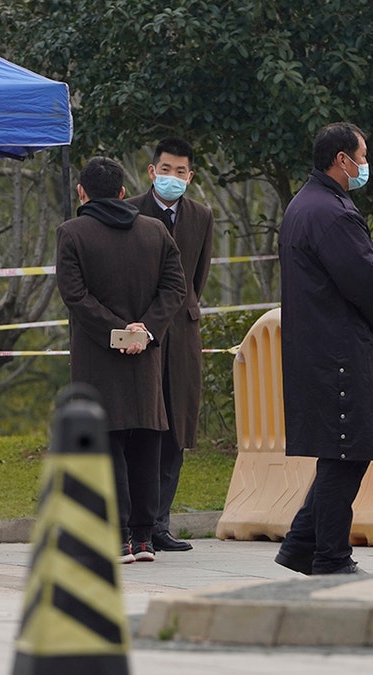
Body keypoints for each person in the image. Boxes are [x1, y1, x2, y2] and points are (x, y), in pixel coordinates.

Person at [275, 123, 373, 575]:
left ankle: (300, 546)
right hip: (339, 349)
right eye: (362, 156)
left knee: (337, 451)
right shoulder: (332, 212)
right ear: (342, 159)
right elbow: (364, 277)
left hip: (315, 345)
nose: (365, 165)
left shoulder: (302, 205)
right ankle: (330, 557)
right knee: (348, 452)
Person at [56, 156, 186, 563]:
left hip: (98, 358)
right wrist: (144, 330)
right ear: (124, 192)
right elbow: (175, 288)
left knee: (106, 445)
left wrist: (116, 332)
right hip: (145, 356)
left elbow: (75, 296)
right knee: (147, 442)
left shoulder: (71, 233)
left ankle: (115, 538)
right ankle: (145, 538)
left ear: (82, 192)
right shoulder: (155, 231)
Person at [123, 137, 214, 552]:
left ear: (190, 176)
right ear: (151, 171)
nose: (173, 178)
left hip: (183, 334)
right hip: (140, 333)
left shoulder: (201, 216)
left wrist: (181, 313)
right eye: (166, 169)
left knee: (176, 427)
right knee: (143, 425)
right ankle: (134, 522)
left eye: (181, 172)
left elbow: (197, 279)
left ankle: (160, 523)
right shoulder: (130, 213)